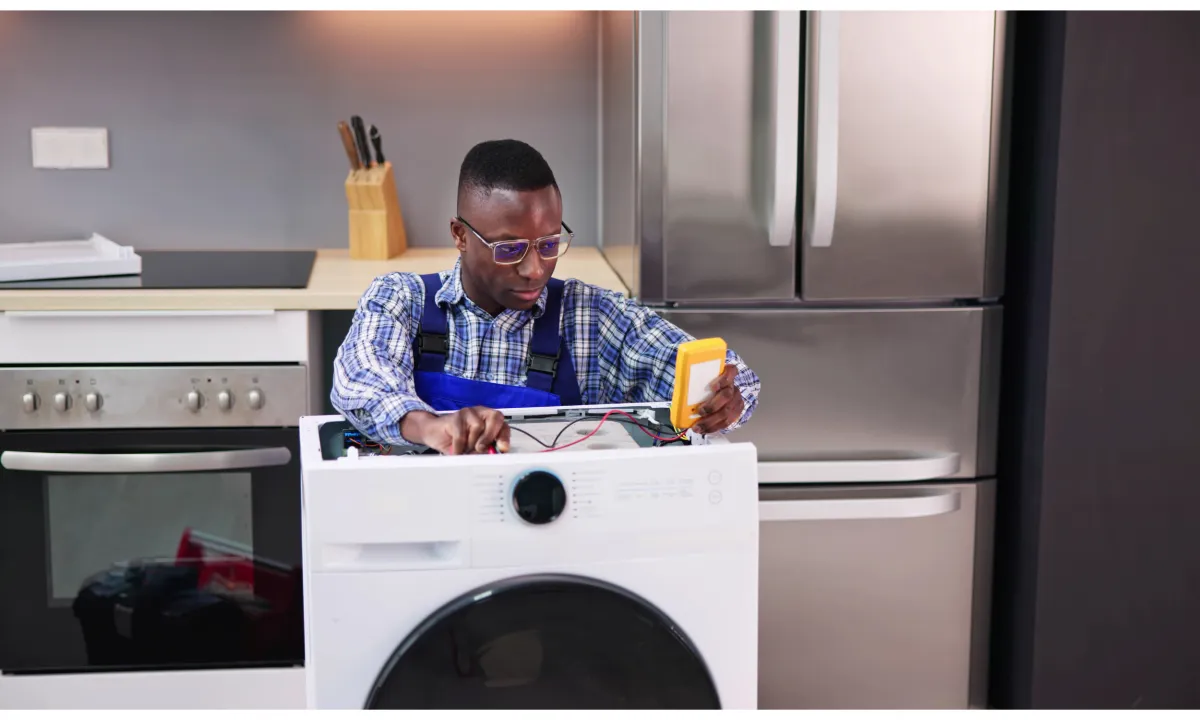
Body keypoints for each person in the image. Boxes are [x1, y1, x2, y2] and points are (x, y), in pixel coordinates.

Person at [331, 139, 761, 455]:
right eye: (510, 248)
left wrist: (726, 396)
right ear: (461, 236)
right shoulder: (402, 300)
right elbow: (360, 379)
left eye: (549, 244)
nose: (534, 268)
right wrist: (430, 426)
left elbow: (714, 369)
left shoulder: (590, 318)